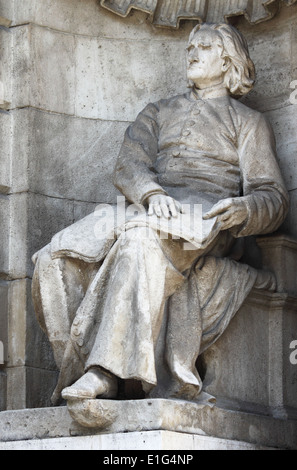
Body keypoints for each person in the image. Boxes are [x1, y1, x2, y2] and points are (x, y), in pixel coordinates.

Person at [32, 23, 288, 405]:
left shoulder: (248, 122)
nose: (193, 53)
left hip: (202, 220)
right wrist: (152, 194)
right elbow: (129, 164)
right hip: (146, 206)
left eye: (204, 47)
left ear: (227, 60)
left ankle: (106, 373)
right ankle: (73, 369)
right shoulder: (159, 110)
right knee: (53, 257)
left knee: (139, 242)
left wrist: (241, 209)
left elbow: (273, 196)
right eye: (190, 47)